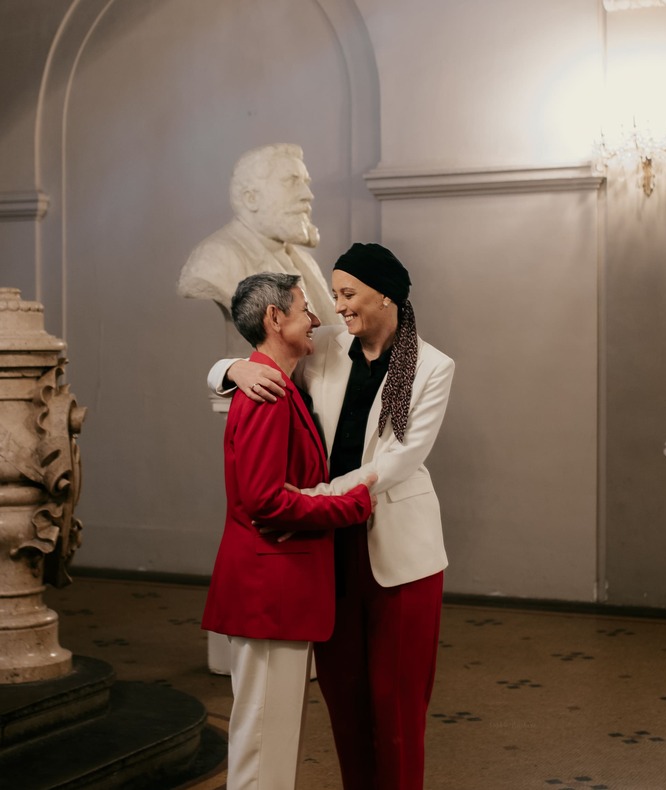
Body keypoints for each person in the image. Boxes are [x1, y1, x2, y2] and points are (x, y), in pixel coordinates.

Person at [210, 243, 455, 790]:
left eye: (347, 294)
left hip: (398, 554)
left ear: (384, 293)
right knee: (343, 698)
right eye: (334, 295)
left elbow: (400, 460)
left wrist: (322, 496)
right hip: (326, 550)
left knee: (396, 707)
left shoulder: (434, 367)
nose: (337, 307)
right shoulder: (323, 351)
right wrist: (227, 369)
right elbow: (267, 352)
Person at [200, 272, 377, 790]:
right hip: (268, 593)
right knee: (262, 742)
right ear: (275, 319)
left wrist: (229, 367)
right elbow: (263, 500)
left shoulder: (273, 380)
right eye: (305, 309)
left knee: (272, 739)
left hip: (279, 591)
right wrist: (349, 506)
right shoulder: (266, 391)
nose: (317, 318)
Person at [179, 143, 339, 327]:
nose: (307, 195)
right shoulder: (215, 258)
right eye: (292, 182)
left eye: (305, 183)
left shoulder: (304, 261)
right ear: (251, 198)